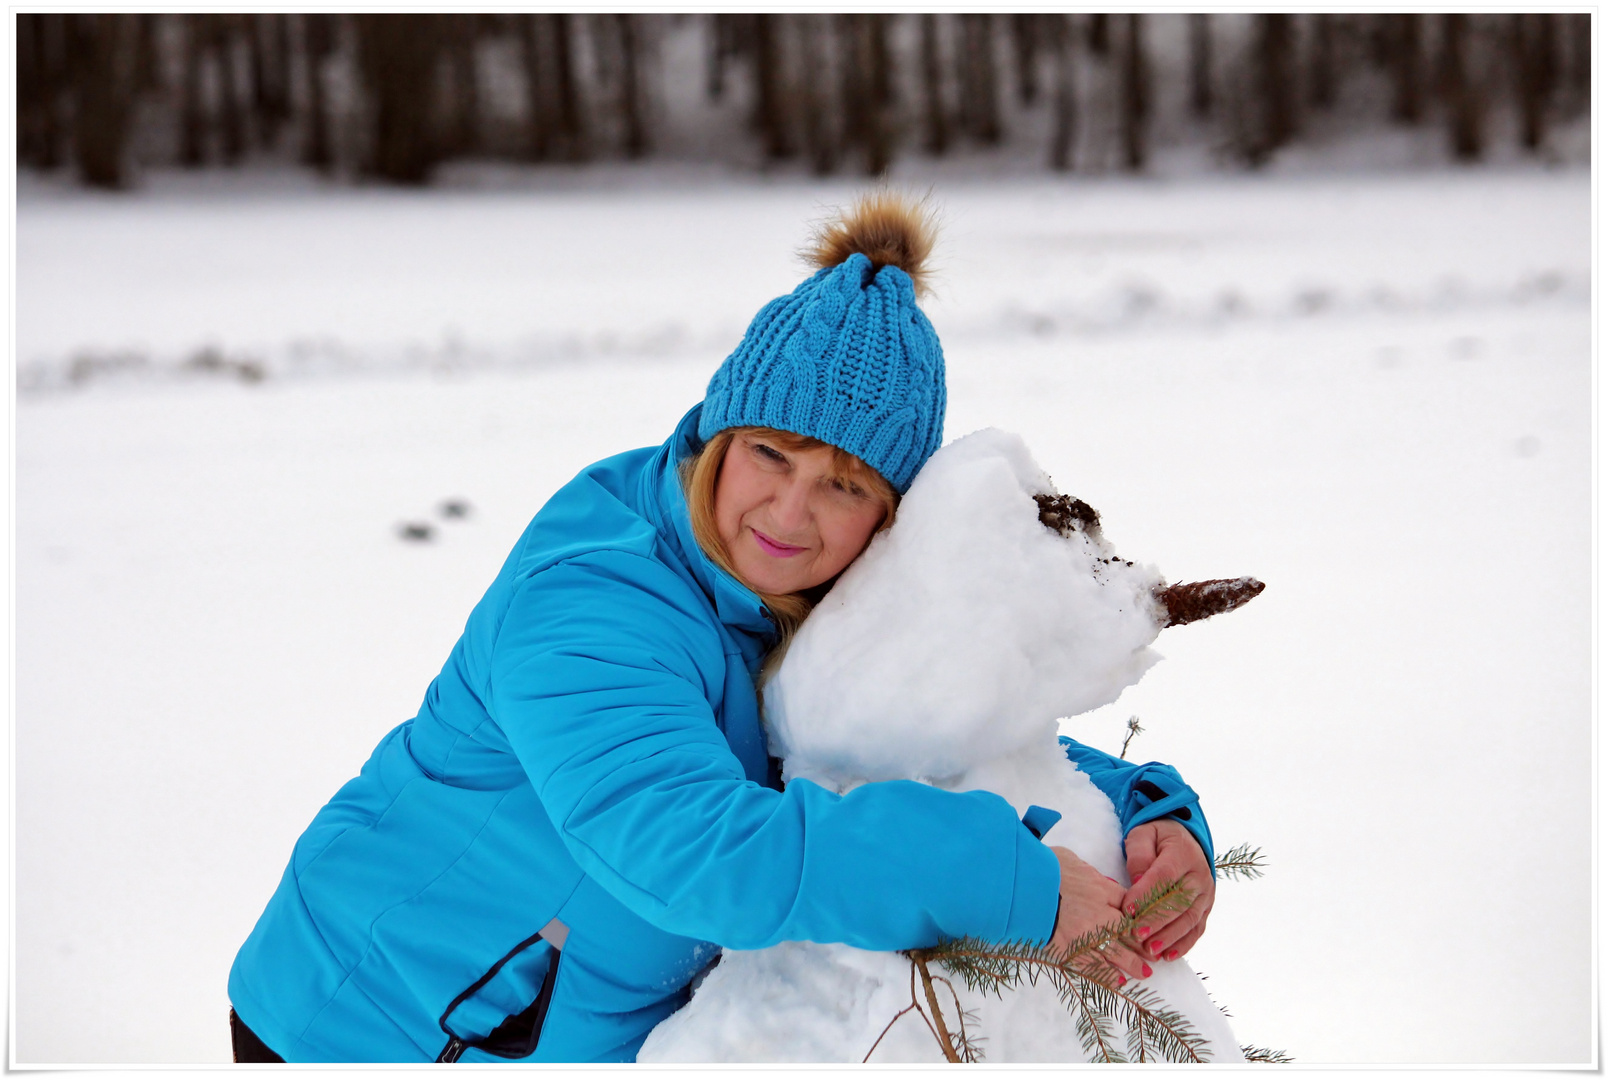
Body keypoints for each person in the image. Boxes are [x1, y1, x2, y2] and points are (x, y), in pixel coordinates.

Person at [227, 192, 1217, 1064]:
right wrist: (1009, 883)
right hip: (372, 1022)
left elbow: (911, 716)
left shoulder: (800, 585)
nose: (791, 514)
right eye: (772, 455)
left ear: (887, 515)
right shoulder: (590, 605)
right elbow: (694, 849)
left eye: (845, 484)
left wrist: (1142, 815)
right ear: (715, 438)